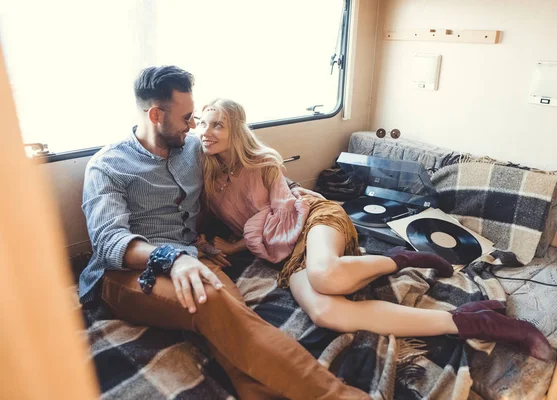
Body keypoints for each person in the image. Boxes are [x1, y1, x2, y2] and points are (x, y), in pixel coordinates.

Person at [79, 65, 371, 400]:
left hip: (192, 257)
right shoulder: (107, 166)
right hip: (129, 271)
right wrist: (171, 257)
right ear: (156, 114)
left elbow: (248, 163)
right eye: (188, 117)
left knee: (234, 325)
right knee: (213, 302)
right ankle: (337, 395)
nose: (194, 127)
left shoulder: (192, 150)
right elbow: (108, 242)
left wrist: (298, 198)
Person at [197, 98, 554, 362]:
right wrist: (214, 243)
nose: (206, 132)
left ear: (236, 131)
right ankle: (475, 323)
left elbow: (285, 213)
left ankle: (400, 259)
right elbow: (238, 228)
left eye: (217, 125)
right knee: (326, 313)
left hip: (311, 220)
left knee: (325, 275)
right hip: (284, 256)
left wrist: (236, 246)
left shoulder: (264, 163)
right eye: (202, 123)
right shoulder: (207, 177)